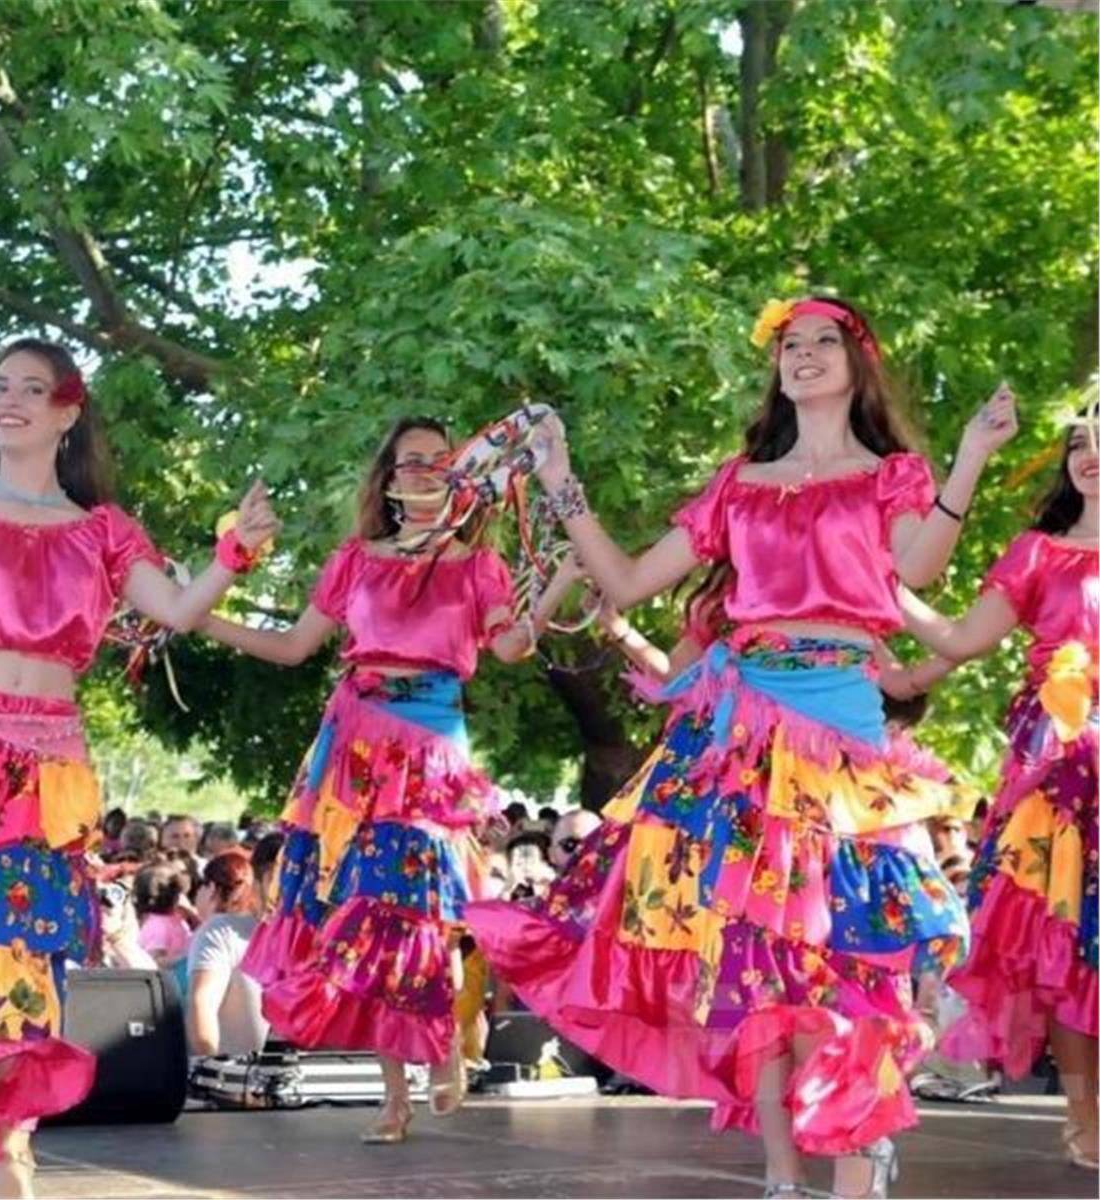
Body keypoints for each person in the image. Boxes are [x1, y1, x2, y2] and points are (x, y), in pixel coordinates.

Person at [467, 296, 1018, 1199]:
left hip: (840, 725)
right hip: (742, 729)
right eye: (789, 345)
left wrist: (970, 457)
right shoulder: (737, 483)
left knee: (847, 953)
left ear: (856, 364)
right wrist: (561, 476)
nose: (802, 355)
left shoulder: (892, 475)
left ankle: (855, 1152)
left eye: (822, 343)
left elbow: (916, 568)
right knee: (755, 959)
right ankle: (777, 1176)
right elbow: (629, 580)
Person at [0, 337, 278, 1198]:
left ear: (68, 413)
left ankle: (12, 1142)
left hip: (54, 767)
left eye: (34, 388)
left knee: (24, 946)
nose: (12, 400)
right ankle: (3, 1145)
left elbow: (177, 609)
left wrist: (235, 552)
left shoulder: (103, 532)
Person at [200, 416, 582, 1144]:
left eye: (440, 461)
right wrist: (202, 619)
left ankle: (442, 1047)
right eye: (410, 462)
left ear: (462, 475)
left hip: (432, 747)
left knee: (423, 911)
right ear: (387, 477)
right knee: (368, 913)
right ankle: (393, 1094)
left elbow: (510, 645)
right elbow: (291, 646)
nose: (424, 471)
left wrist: (561, 577)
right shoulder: (355, 559)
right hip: (355, 745)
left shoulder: (477, 566)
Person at [887, 410, 1099, 1171]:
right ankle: (1084, 1114)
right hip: (1059, 774)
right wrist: (876, 582)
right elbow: (958, 638)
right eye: (1078, 443)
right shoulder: (1038, 552)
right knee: (1066, 945)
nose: (1089, 455)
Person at [186, 850, 274, 1058]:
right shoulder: (224, 931)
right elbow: (202, 1003)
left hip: (239, 1077)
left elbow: (202, 1002)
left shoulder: (216, 930)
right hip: (248, 1078)